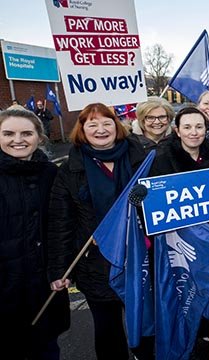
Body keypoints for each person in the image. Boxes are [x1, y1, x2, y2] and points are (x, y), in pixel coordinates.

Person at [47, 103, 149, 360]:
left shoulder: (142, 157)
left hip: (140, 258)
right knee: (107, 328)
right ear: (82, 130)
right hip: (95, 263)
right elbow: (61, 222)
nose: (101, 129)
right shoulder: (70, 169)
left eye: (107, 123)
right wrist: (60, 269)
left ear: (117, 126)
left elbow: (162, 201)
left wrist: (147, 197)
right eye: (92, 124)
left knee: (147, 324)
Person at [0, 108, 70, 360]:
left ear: (39, 137)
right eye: (8, 133)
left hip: (43, 285)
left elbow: (61, 224)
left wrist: (60, 270)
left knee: (46, 347)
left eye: (26, 133)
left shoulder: (51, 173)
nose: (18, 139)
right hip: (7, 287)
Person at [149, 106, 209, 175]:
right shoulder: (161, 160)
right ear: (178, 132)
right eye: (187, 127)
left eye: (199, 127)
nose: (194, 133)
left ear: (205, 129)